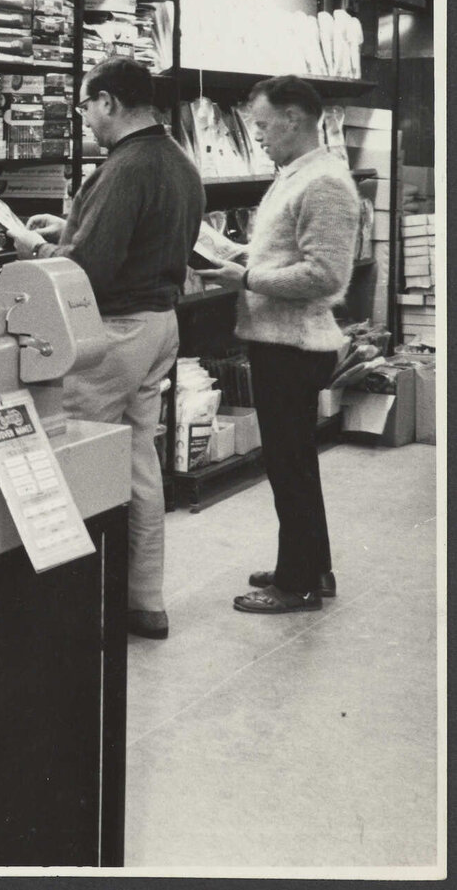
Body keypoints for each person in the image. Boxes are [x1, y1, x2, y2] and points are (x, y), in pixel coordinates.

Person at [10, 57, 203, 640]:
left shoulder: (124, 168)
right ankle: (143, 598)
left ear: (110, 103)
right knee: (138, 455)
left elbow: (87, 270)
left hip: (112, 332)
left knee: (73, 454)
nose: (85, 117)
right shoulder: (176, 161)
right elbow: (127, 239)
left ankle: (73, 604)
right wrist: (67, 228)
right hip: (159, 324)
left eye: (86, 106)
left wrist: (34, 251)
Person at [204, 76, 358, 615]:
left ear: (293, 119)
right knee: (294, 463)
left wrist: (246, 281)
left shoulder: (325, 184)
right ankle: (313, 565)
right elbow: (278, 252)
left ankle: (297, 585)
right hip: (279, 341)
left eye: (265, 125)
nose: (259, 135)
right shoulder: (298, 175)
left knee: (288, 465)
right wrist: (226, 251)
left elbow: (324, 274)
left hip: (293, 347)